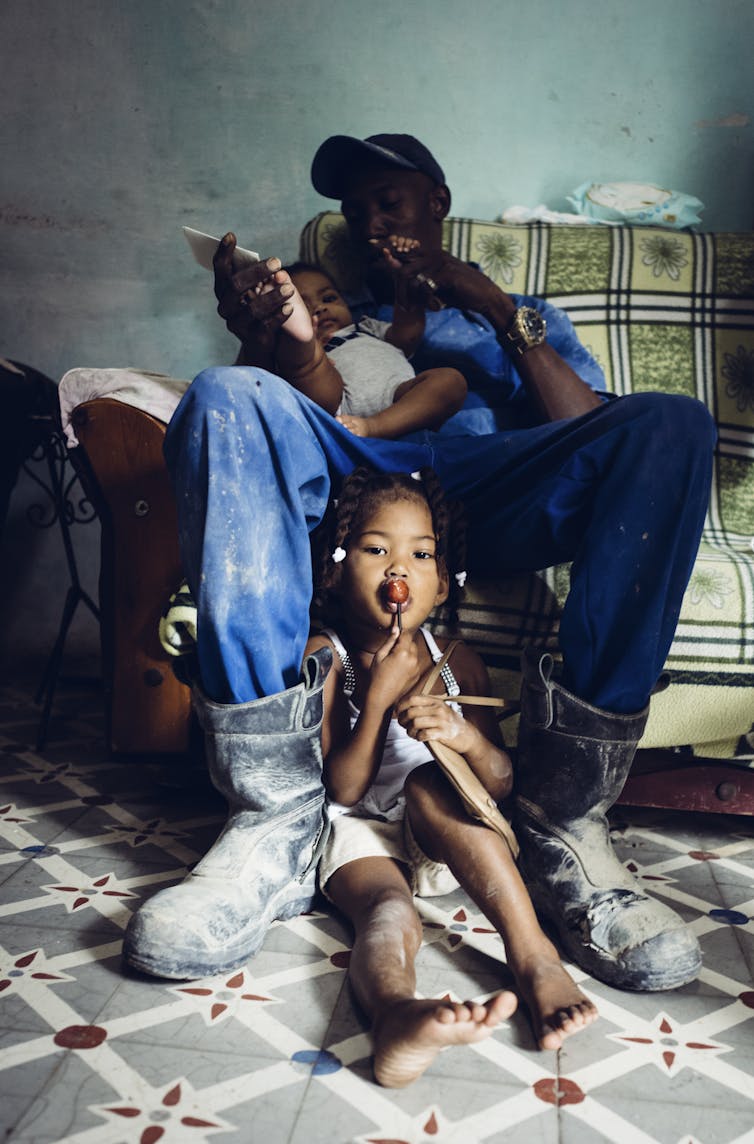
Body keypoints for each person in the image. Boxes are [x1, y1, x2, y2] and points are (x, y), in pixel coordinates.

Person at [124, 133, 716, 995]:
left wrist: (491, 303)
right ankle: (273, 818)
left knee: (670, 423)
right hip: (360, 486)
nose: (368, 222)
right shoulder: (344, 313)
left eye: (386, 201)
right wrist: (275, 336)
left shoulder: (518, 311)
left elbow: (584, 421)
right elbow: (302, 413)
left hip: (493, 488)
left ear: (435, 201)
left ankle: (565, 820)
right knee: (225, 394)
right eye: (354, 210)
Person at [307, 465, 597, 1086]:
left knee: (426, 783)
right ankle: (394, 1015)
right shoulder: (325, 655)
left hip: (446, 832)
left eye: (420, 553)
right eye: (375, 548)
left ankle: (533, 956)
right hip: (359, 832)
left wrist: (463, 734)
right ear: (333, 570)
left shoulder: (457, 660)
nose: (398, 569)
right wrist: (379, 700)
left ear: (440, 584)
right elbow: (343, 789)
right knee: (387, 914)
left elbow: (498, 782)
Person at [280, 255, 467, 438]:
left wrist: (406, 288)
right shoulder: (294, 351)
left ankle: (376, 427)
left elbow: (407, 337)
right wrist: (305, 346)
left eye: (328, 298)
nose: (320, 308)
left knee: (451, 380)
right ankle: (310, 352)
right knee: (311, 368)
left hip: (400, 395)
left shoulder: (366, 327)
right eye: (303, 307)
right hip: (339, 406)